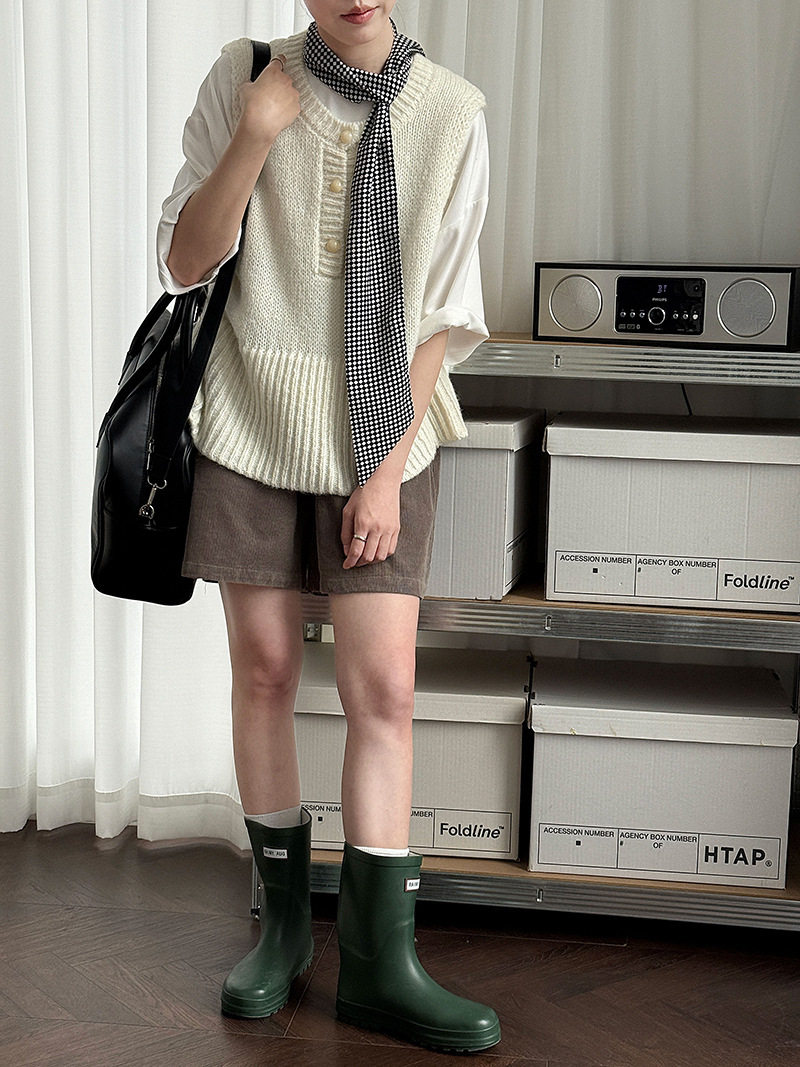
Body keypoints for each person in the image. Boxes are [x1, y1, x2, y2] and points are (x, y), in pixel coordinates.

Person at [157, 0, 498, 1053]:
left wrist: (384, 471)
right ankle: (281, 931)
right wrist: (257, 131)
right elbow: (185, 261)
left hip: (384, 434)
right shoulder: (245, 74)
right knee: (263, 671)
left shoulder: (451, 110)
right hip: (248, 418)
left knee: (382, 689)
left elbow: (443, 316)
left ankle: (380, 962)